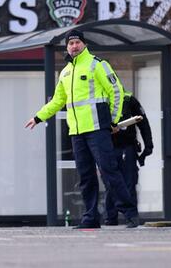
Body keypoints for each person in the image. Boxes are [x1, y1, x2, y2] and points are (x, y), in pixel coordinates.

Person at [25, 29, 140, 228]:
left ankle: (130, 213)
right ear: (67, 48)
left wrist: (113, 120)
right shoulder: (66, 73)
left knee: (109, 171)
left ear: (84, 44)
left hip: (98, 129)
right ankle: (90, 217)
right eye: (70, 43)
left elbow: (116, 91)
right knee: (86, 177)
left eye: (77, 42)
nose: (74, 46)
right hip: (76, 133)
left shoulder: (97, 65)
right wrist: (38, 116)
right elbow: (58, 101)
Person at [105, 93, 154, 225]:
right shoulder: (102, 100)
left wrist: (148, 145)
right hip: (108, 148)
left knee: (129, 182)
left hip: (127, 146)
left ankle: (131, 217)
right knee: (110, 183)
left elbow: (143, 122)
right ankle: (111, 217)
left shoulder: (128, 99)